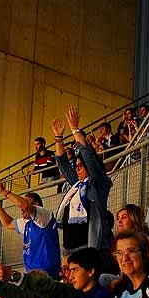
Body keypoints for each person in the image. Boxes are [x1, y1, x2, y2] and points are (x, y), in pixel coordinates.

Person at [52, 106, 114, 253]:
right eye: (77, 166)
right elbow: (63, 163)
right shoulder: (77, 185)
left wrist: (74, 129)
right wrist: (58, 139)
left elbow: (88, 155)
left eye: (80, 166)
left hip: (89, 249)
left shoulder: (99, 183)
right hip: (70, 250)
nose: (77, 169)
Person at [0, 184, 60, 275]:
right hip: (32, 275)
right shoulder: (26, 222)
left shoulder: (44, 216)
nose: (21, 209)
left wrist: (4, 192)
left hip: (48, 274)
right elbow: (8, 223)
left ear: (36, 205)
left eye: (26, 201)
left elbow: (25, 206)